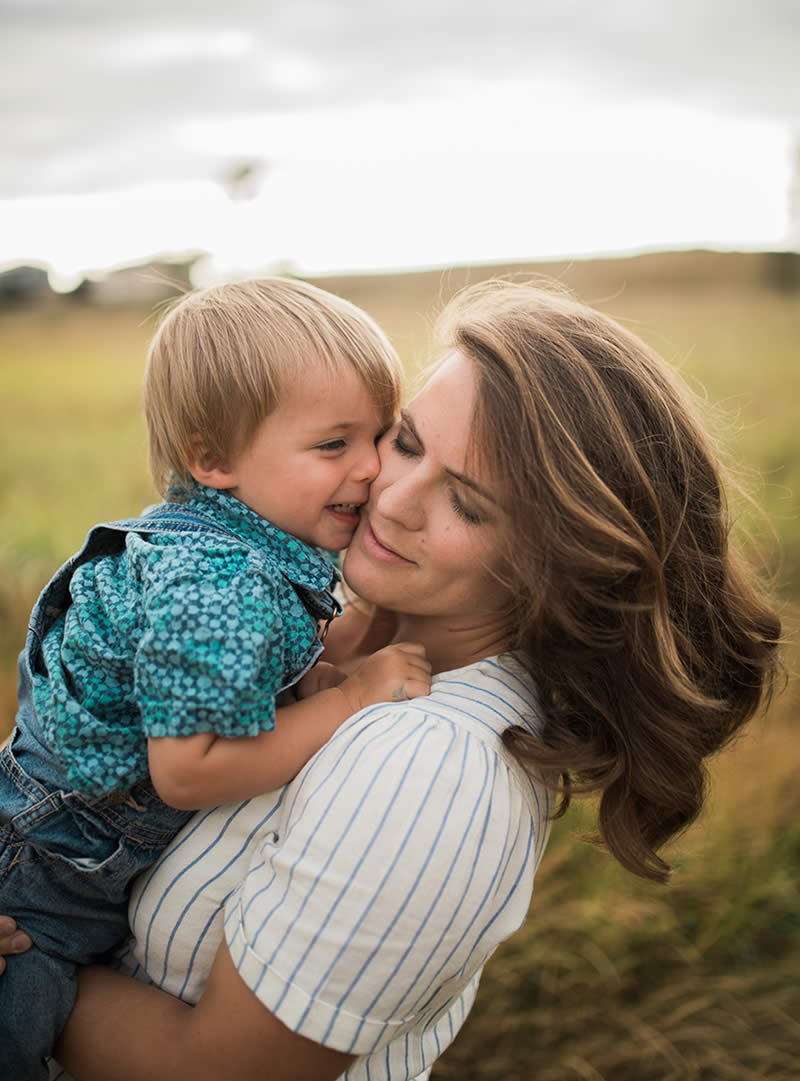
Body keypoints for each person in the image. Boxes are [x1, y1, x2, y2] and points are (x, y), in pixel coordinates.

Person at [0, 279, 781, 1081]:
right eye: (406, 442)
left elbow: (221, 1069)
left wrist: (25, 961)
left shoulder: (431, 766)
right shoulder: (322, 618)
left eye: (468, 506)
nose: (391, 497)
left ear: (559, 565)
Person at [0, 277, 433, 1081]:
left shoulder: (244, 550)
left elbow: (267, 666)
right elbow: (189, 765)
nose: (373, 468)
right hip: (43, 880)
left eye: (382, 435)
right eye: (334, 445)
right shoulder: (216, 580)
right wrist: (352, 695)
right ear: (214, 459)